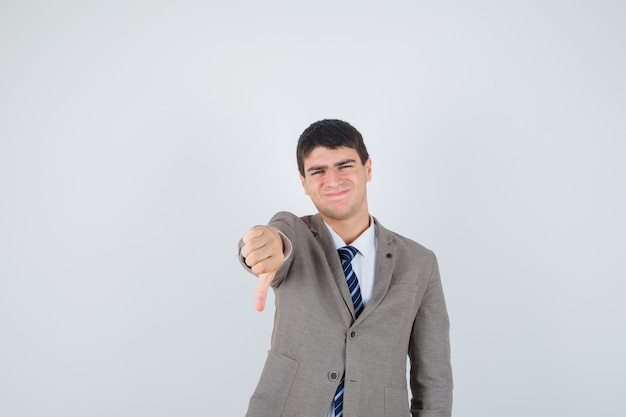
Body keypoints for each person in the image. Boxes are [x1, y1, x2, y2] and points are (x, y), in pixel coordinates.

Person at [238, 119, 453, 417]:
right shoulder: (295, 237)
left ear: (368, 168)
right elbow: (276, 235)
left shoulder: (419, 262)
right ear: (303, 182)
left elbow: (434, 376)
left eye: (345, 165)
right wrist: (264, 245)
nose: (333, 180)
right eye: (318, 171)